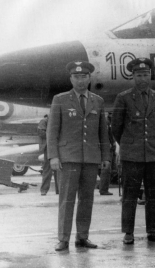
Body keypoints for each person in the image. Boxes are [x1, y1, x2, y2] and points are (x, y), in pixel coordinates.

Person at [47, 61, 111, 251]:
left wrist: (106, 157)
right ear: (71, 79)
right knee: (67, 200)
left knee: (87, 199)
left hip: (91, 159)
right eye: (76, 77)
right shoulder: (60, 99)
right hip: (68, 158)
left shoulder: (97, 101)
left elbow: (103, 133)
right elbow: (52, 131)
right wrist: (53, 157)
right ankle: (63, 239)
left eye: (84, 77)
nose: (80, 80)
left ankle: (82, 237)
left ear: (89, 78)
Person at [112, 58, 155, 244]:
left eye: (145, 74)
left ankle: (153, 231)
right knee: (130, 196)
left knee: (153, 196)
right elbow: (116, 128)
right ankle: (128, 233)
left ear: (150, 75)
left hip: (153, 155)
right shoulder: (124, 97)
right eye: (138, 75)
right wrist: (130, 145)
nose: (142, 78)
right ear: (133, 76)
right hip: (132, 157)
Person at [39, 114, 58, 196]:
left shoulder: (51, 120)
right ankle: (44, 190)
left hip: (55, 146)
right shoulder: (44, 121)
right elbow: (41, 133)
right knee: (47, 169)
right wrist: (53, 135)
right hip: (48, 147)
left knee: (57, 169)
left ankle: (58, 190)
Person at [98, 112, 116, 196]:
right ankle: (103, 189)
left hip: (107, 146)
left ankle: (102, 186)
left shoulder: (106, 120)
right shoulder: (106, 121)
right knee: (106, 169)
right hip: (107, 147)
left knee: (105, 169)